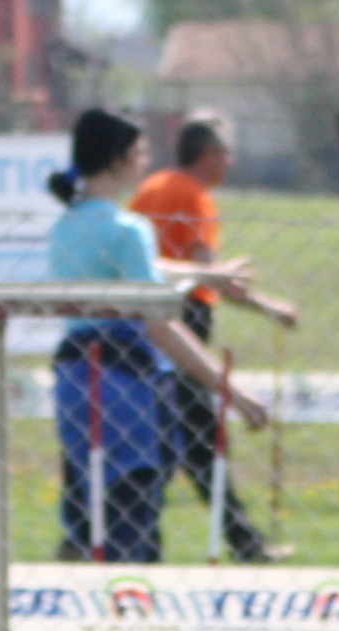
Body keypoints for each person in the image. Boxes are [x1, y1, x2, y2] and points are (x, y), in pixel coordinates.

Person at [46, 105, 263, 631]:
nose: (146, 162)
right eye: (140, 152)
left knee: (117, 523)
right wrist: (228, 389)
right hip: (126, 390)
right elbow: (160, 322)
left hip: (76, 384)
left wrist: (208, 276)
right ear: (120, 158)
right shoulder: (127, 230)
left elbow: (139, 269)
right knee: (130, 527)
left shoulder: (69, 227)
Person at [126, 114, 295, 562]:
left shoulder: (152, 188)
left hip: (140, 318)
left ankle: (239, 541)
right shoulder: (194, 196)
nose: (230, 162)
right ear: (208, 153)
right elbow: (211, 274)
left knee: (176, 436)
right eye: (226, 152)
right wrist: (269, 307)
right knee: (200, 437)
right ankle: (243, 545)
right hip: (183, 320)